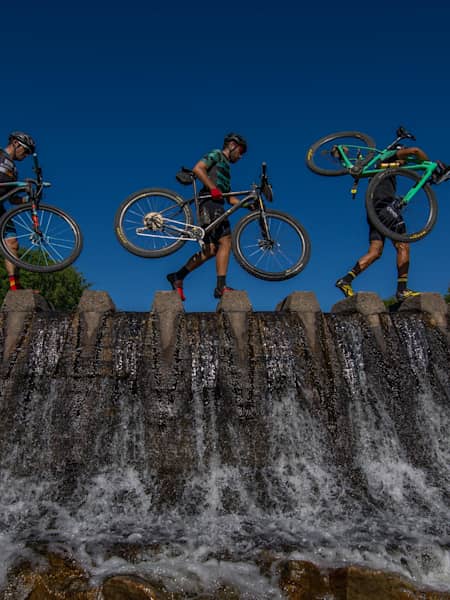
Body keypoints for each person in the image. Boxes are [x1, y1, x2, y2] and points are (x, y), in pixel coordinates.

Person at [335, 144, 448, 302]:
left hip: (373, 211)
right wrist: (428, 165)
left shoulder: (380, 166)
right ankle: (402, 290)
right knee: (403, 245)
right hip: (385, 206)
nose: (405, 162)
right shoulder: (388, 157)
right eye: (404, 159)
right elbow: (415, 151)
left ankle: (346, 280)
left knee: (375, 252)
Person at [166, 132, 247, 301]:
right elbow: (198, 168)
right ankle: (221, 287)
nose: (240, 157)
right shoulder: (216, 154)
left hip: (216, 204)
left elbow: (229, 197)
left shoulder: (226, 170)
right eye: (240, 151)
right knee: (226, 241)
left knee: (211, 250)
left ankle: (178, 276)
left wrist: (249, 204)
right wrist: (212, 188)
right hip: (209, 203)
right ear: (232, 145)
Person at [0, 131, 36, 291]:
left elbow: (12, 199)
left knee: (12, 244)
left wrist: (28, 199)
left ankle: (15, 287)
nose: (26, 155)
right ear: (15, 143)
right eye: (25, 150)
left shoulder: (13, 170)